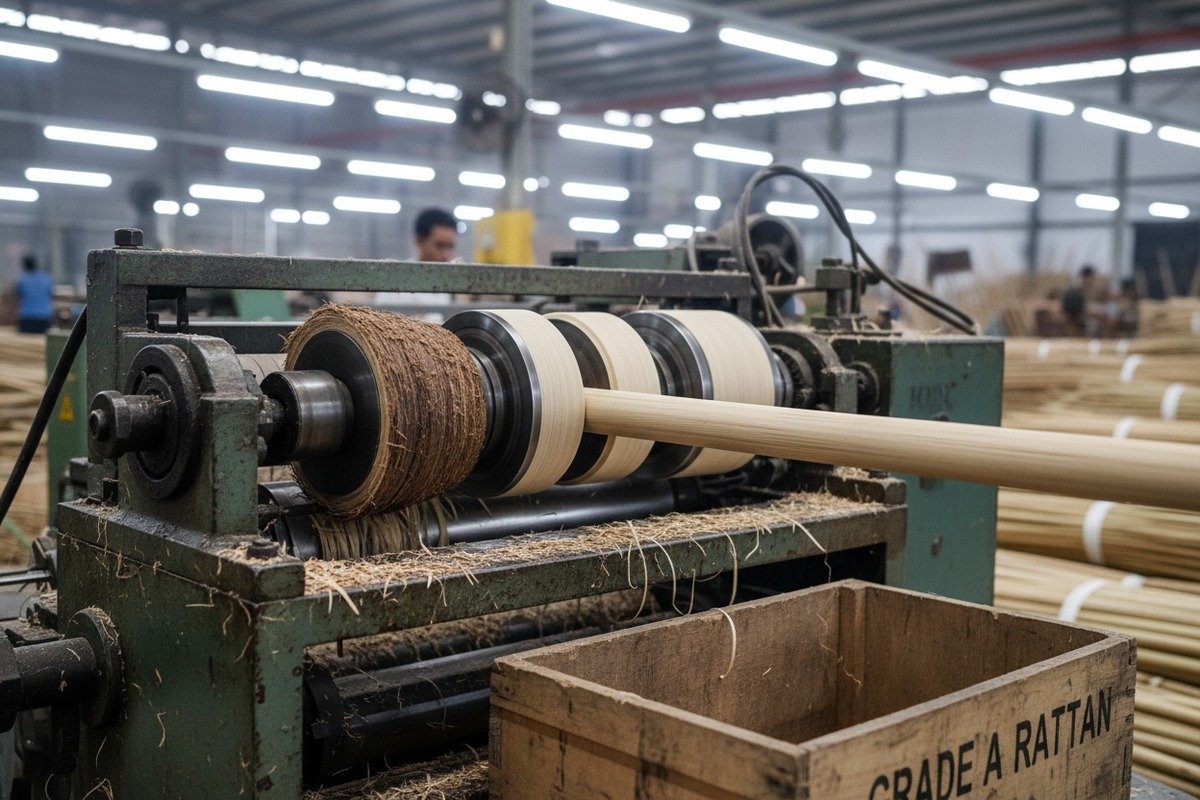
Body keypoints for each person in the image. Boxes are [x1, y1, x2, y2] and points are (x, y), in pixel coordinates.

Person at [14, 254, 52, 334]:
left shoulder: (21, 280)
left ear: (24, 266)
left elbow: (18, 296)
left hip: (26, 319)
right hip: (44, 319)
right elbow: (50, 294)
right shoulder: (47, 278)